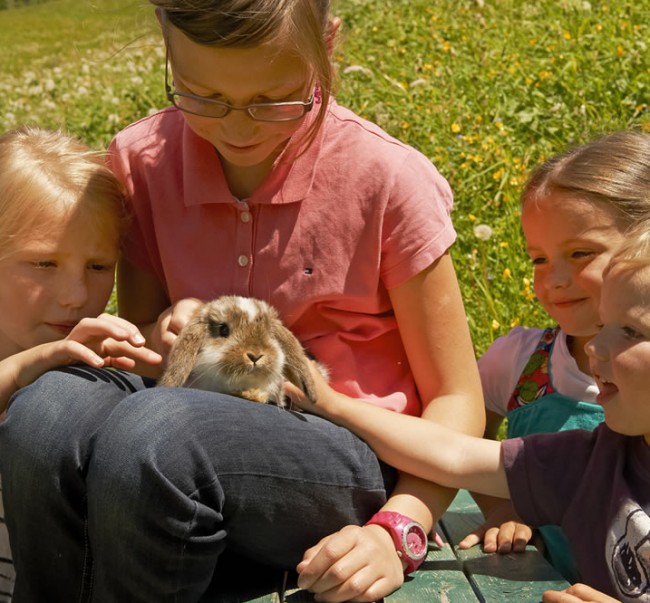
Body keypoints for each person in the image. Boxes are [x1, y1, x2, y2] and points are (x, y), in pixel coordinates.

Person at [0, 2, 485, 602]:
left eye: (273, 99)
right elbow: (142, 346)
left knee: (157, 432)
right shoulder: (144, 160)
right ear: (166, 45)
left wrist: (400, 526)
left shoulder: (387, 180)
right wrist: (158, 332)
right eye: (201, 96)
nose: (237, 126)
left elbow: (457, 398)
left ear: (327, 46)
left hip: (339, 444)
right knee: (49, 411)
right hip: (179, 428)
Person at [292, 217, 650, 603]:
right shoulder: (595, 460)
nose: (595, 347)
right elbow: (453, 453)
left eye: (631, 331)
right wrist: (330, 403)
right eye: (604, 324)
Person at [461, 131, 650, 582]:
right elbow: (464, 436)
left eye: (581, 253)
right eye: (538, 259)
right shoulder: (520, 359)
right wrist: (505, 506)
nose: (554, 280)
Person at [0, 125, 162, 597]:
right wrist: (32, 364)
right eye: (43, 264)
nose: (75, 298)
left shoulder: (89, 355)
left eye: (98, 267)